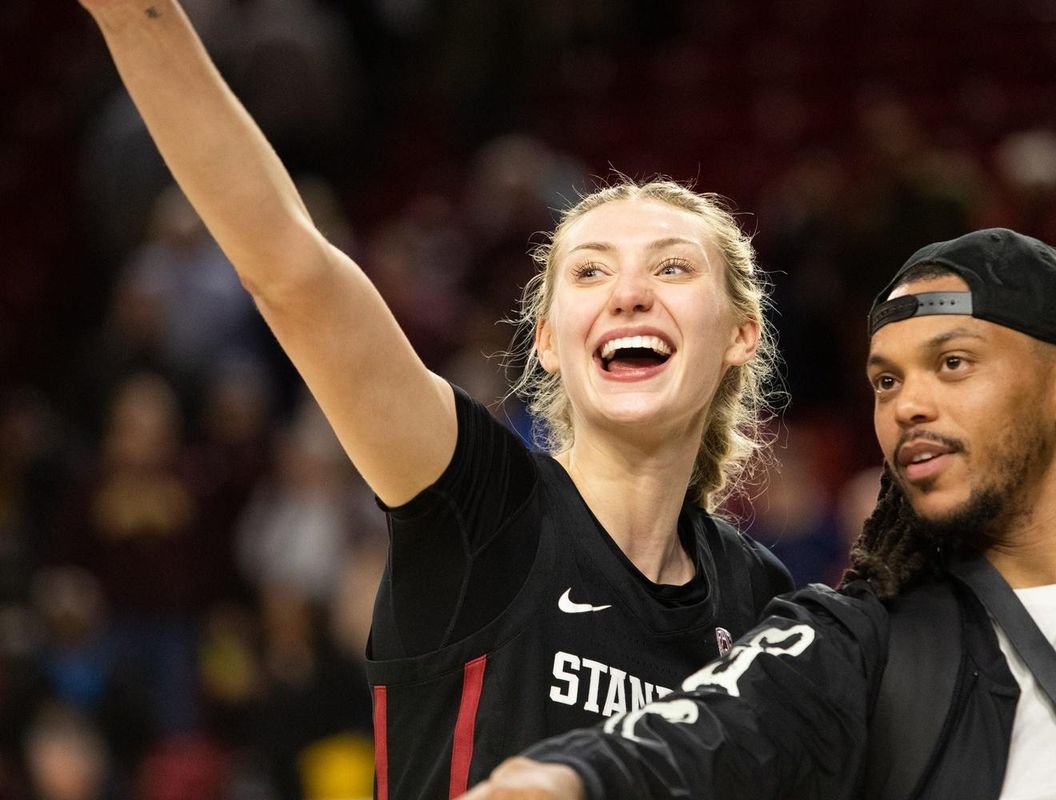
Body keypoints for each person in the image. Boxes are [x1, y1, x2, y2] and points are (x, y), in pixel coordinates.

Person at [76, 1, 795, 798]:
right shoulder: (480, 504)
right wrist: (139, 19)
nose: (627, 292)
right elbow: (291, 271)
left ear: (740, 334)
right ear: (550, 341)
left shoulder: (767, 611)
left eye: (670, 269)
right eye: (589, 272)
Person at [462, 228, 1056, 800]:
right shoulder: (858, 641)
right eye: (885, 379)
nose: (906, 404)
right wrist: (567, 780)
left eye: (953, 363)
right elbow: (706, 730)